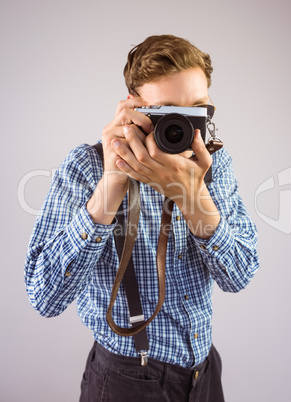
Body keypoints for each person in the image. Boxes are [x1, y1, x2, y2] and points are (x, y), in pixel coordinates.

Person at [24, 34, 259, 401]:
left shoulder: (214, 166)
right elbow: (44, 298)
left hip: (205, 374)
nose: (182, 129)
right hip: (126, 380)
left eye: (197, 111)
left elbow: (240, 275)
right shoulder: (88, 168)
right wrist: (112, 182)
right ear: (133, 109)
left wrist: (193, 195)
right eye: (167, 113)